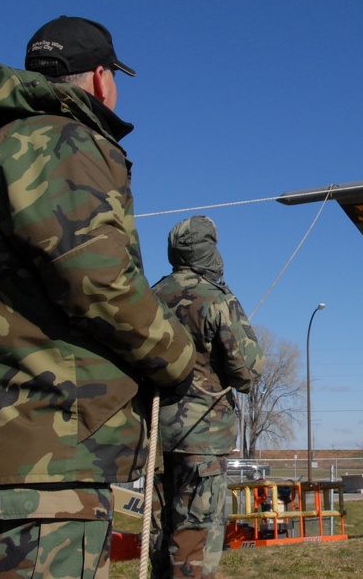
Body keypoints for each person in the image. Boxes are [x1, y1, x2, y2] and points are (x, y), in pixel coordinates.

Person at [0, 16, 201, 579]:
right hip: (45, 463)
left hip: (3, 454)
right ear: (101, 79)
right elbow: (99, 281)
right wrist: (176, 357)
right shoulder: (59, 141)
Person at [150, 215, 266, 579]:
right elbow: (248, 372)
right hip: (202, 441)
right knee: (195, 536)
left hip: (155, 440)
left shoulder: (148, 297)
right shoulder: (216, 300)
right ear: (207, 252)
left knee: (159, 532)